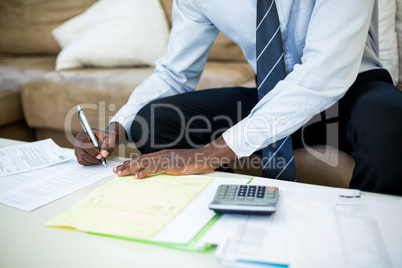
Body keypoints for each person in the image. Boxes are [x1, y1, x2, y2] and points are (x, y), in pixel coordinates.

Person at [74, 0, 402, 195]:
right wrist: (117, 126)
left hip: (352, 87)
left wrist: (208, 153)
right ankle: (226, 206)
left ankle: (363, 231)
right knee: (152, 122)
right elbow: (175, 73)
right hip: (272, 96)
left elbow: (325, 71)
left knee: (390, 125)